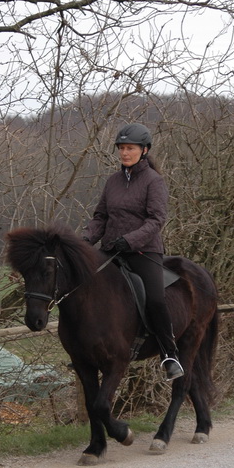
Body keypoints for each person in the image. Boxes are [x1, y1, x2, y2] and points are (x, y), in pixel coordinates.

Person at [83, 123, 184, 381]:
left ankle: (169, 354)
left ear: (144, 150)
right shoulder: (113, 181)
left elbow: (156, 220)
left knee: (155, 299)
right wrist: (86, 239)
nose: (125, 153)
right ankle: (85, 348)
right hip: (111, 250)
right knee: (86, 289)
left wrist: (129, 241)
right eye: (121, 148)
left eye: (130, 148)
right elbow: (101, 216)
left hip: (143, 252)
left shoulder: (153, 181)